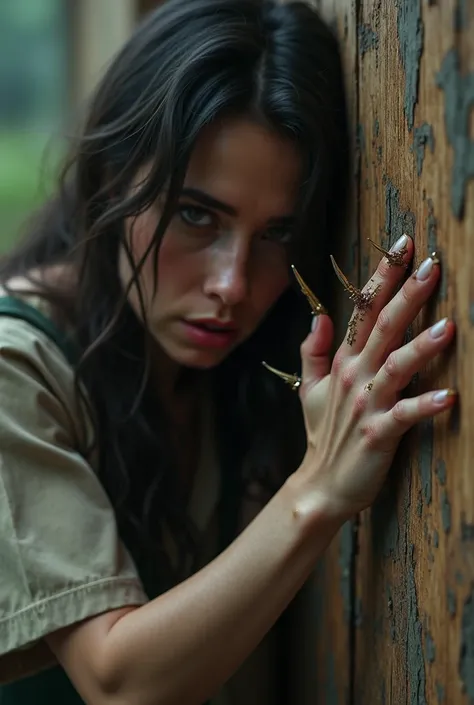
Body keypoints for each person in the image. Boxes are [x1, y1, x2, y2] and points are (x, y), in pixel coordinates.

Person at [0, 0, 456, 703]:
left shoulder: (239, 373)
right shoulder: (17, 367)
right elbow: (117, 682)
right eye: (194, 215)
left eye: (276, 234)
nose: (233, 285)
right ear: (109, 177)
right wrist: (319, 487)